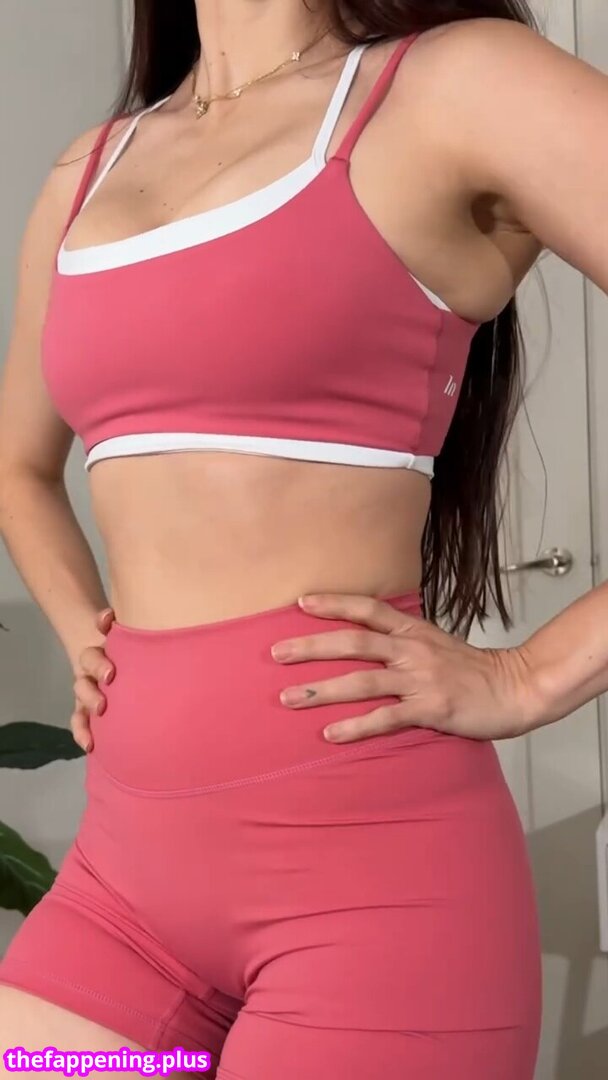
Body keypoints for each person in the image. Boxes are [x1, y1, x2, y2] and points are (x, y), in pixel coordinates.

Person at [0, 0, 607, 1077]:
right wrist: (86, 632)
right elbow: (19, 468)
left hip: (372, 898)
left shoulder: (457, 86)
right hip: (121, 895)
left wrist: (531, 675)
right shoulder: (85, 172)